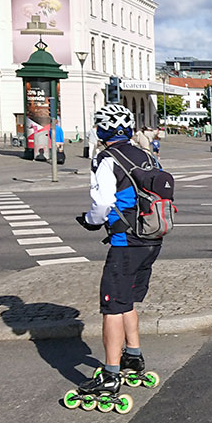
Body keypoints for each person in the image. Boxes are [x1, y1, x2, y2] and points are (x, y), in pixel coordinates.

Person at [74, 104, 163, 398]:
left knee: (112, 307)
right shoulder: (146, 155)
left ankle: (111, 375)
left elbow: (101, 203)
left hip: (126, 241)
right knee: (129, 300)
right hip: (152, 237)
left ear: (102, 129)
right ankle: (133, 357)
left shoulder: (108, 159)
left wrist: (90, 221)